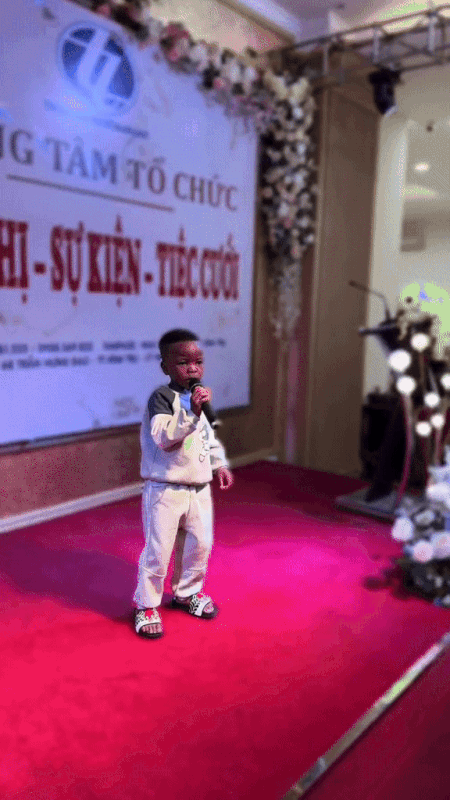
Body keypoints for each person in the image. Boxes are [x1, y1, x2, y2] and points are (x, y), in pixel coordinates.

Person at [133, 328, 234, 639]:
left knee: (199, 545)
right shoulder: (162, 398)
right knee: (159, 549)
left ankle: (187, 592)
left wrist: (218, 464)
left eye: (198, 362)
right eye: (183, 363)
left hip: (198, 489)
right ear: (165, 366)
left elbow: (207, 438)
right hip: (165, 489)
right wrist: (192, 412)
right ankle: (146, 604)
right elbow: (164, 438)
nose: (192, 369)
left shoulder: (197, 400)